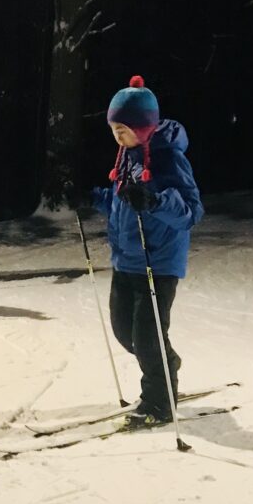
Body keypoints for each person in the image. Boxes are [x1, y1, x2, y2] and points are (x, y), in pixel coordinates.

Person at [68, 75, 203, 427]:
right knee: (123, 330)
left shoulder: (169, 159)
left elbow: (190, 212)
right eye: (114, 129)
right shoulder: (127, 157)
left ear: (144, 127)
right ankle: (165, 361)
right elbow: (119, 203)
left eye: (124, 129)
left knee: (147, 336)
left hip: (158, 262)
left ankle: (159, 402)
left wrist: (154, 201)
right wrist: (91, 197)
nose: (118, 136)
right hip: (126, 258)